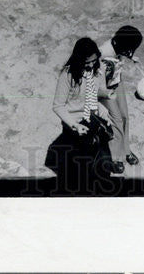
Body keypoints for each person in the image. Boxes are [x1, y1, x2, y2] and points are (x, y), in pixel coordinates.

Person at [46, 37, 117, 190]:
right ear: (79, 60)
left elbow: (98, 93)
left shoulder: (99, 68)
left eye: (93, 60)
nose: (91, 65)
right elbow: (58, 106)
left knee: (99, 164)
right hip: (75, 122)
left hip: (95, 119)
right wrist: (74, 126)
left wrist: (107, 97)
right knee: (79, 169)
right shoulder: (67, 75)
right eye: (87, 63)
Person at [97, 25, 143, 174]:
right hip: (103, 86)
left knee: (124, 116)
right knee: (116, 120)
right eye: (129, 50)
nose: (129, 52)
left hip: (115, 78)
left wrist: (131, 57)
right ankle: (116, 158)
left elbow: (122, 52)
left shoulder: (119, 43)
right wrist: (107, 95)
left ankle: (126, 150)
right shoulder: (103, 54)